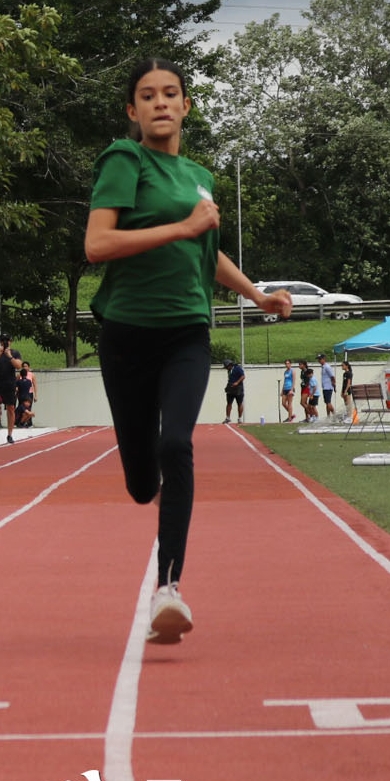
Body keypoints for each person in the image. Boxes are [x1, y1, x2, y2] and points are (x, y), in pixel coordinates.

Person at [84, 56, 292, 646]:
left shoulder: (199, 177)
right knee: (141, 485)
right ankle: (146, 480)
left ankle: (168, 589)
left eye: (170, 94)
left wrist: (257, 295)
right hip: (126, 336)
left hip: (185, 333)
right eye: (147, 96)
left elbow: (207, 256)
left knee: (177, 442)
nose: (160, 103)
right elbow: (97, 244)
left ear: (186, 106)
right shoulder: (125, 160)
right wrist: (183, 226)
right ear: (132, 110)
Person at [0, 336, 21, 441]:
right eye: (3, 341)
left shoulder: (15, 353)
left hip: (9, 383)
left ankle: (10, 434)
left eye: (7, 340)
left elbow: (18, 366)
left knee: (10, 408)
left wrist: (9, 356)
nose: (5, 342)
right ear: (0, 342)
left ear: (11, 341)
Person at [222, 358, 245, 424]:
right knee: (229, 403)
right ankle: (228, 418)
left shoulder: (237, 368)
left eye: (226, 366)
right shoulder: (229, 370)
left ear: (230, 365)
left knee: (239, 403)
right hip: (231, 388)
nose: (226, 368)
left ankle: (240, 419)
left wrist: (237, 382)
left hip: (238, 388)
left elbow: (243, 376)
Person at [318, 352, 336, 418]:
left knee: (328, 402)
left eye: (320, 359)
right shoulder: (323, 367)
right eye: (318, 359)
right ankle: (328, 416)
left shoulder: (327, 367)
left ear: (324, 359)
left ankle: (334, 414)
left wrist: (334, 385)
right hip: (325, 387)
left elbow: (332, 376)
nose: (319, 361)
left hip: (328, 387)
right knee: (327, 402)